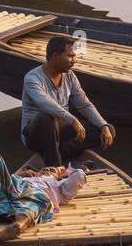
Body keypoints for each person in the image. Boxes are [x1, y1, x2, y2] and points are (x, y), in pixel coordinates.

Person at [20, 35, 116, 166]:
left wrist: (103, 125)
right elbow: (45, 103)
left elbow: (84, 105)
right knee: (47, 117)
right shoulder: (33, 78)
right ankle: (57, 166)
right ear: (55, 56)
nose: (74, 60)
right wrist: (73, 120)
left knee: (107, 129)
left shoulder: (70, 76)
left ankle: (59, 153)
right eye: (70, 56)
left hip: (60, 130)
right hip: (36, 135)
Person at [0, 149, 86, 242]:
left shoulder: (60, 187)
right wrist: (23, 174)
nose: (46, 170)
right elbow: (5, 178)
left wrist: (63, 170)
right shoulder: (28, 177)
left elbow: (77, 176)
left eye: (50, 170)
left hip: (38, 195)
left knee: (30, 207)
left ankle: (18, 226)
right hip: (16, 187)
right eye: (44, 169)